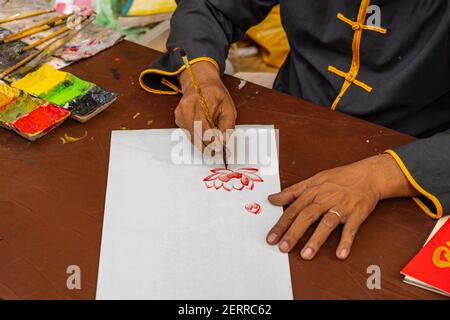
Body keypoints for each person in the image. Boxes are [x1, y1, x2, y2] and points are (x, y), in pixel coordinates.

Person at [139, 0, 450, 260]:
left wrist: (380, 176)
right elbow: (211, 5)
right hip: (292, 114)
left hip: (412, 158)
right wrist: (201, 76)